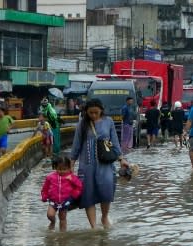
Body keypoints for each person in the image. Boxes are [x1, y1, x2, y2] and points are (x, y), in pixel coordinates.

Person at [70, 98, 130, 229]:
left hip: (105, 164)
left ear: (101, 110)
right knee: (88, 194)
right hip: (86, 165)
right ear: (86, 112)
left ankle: (104, 216)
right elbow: (76, 145)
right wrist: (71, 165)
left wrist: (121, 159)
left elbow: (114, 141)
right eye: (90, 113)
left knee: (107, 191)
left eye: (96, 112)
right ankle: (93, 227)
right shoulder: (82, 124)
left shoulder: (108, 122)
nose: (93, 115)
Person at [40, 156, 82, 232]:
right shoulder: (50, 177)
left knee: (62, 218)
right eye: (59, 169)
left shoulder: (71, 177)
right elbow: (45, 188)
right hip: (53, 200)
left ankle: (62, 235)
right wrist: (44, 196)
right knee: (50, 215)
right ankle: (53, 222)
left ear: (69, 168)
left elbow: (79, 186)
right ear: (55, 167)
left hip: (65, 201)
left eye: (64, 169)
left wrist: (73, 196)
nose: (62, 171)